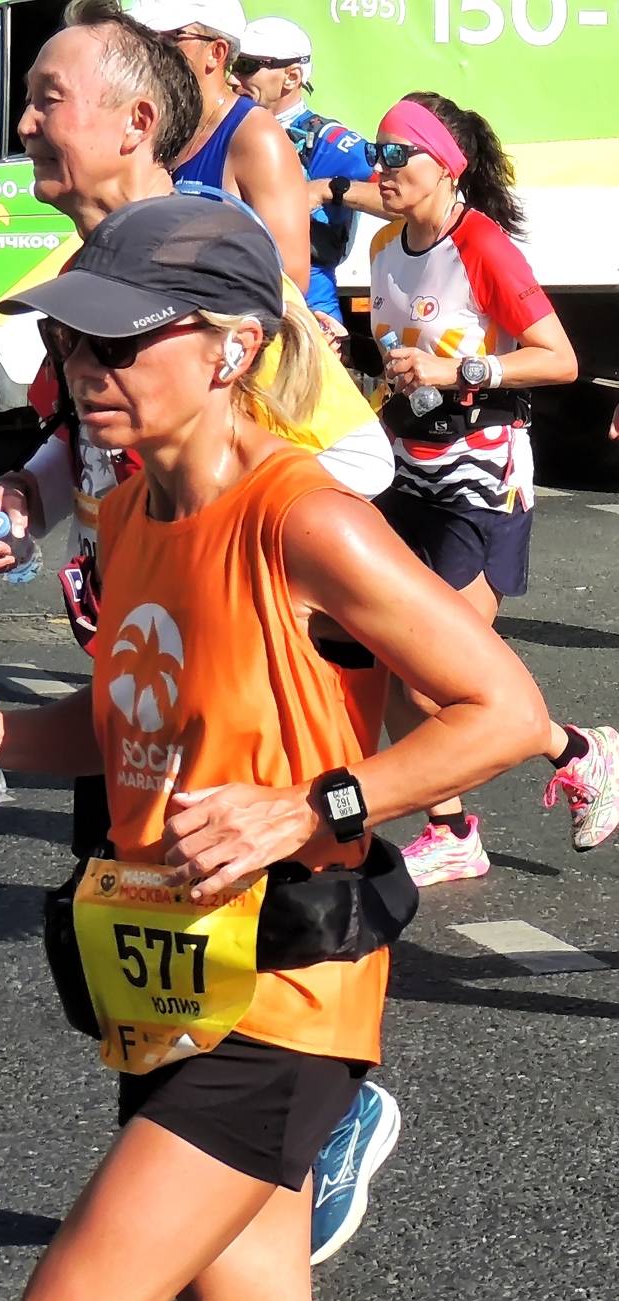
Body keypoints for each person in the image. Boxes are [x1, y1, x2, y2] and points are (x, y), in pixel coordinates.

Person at [0, 191, 551, 1301]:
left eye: (120, 342)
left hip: (282, 986)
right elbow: (126, 717)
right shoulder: (136, 516)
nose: (85, 369)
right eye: (72, 343)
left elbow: (505, 711)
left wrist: (314, 807)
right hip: (176, 979)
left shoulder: (304, 518)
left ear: (232, 347)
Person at [0, 0, 397, 1268]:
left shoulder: (212, 269)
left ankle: (313, 1120)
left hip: (243, 695)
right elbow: (84, 436)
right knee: (137, 933)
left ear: (136, 120)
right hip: (140, 662)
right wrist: (33, 492)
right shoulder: (83, 269)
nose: (21, 121)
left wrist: (237, 553)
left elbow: (351, 460)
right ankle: (197, 1183)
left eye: (45, 97)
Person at [367, 92, 619, 885]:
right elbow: (402, 358)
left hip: (480, 479)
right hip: (403, 472)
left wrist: (457, 369)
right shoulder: (382, 244)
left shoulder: (481, 244)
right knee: (390, 660)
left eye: (395, 154)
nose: (380, 169)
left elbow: (558, 359)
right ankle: (450, 831)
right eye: (375, 153)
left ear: (446, 165)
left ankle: (580, 751)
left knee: (439, 669)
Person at [131, 0, 311, 293]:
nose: (152, 49)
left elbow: (289, 280)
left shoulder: (255, 135)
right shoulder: (155, 128)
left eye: (173, 36)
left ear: (216, 52)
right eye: (148, 36)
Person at [232, 14, 389, 319]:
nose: (233, 78)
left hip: (307, 312)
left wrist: (328, 189)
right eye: (233, 64)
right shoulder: (223, 129)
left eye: (247, 66)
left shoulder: (326, 141)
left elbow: (407, 201)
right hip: (235, 300)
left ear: (291, 77)